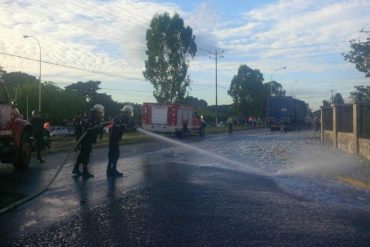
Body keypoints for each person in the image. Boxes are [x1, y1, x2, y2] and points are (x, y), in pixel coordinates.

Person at [72, 104, 105, 179]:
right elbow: (88, 129)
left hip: (88, 139)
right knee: (85, 155)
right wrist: (97, 127)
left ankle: (76, 168)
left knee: (82, 154)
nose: (101, 114)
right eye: (100, 113)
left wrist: (99, 127)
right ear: (96, 112)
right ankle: (85, 171)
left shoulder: (94, 119)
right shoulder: (89, 119)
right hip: (85, 139)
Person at [106, 104, 133, 177]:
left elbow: (111, 126)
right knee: (115, 154)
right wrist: (128, 128)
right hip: (114, 138)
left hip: (113, 137)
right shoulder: (122, 118)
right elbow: (120, 128)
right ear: (127, 112)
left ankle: (109, 170)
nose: (130, 115)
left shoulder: (119, 116)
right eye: (129, 113)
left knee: (112, 154)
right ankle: (113, 170)